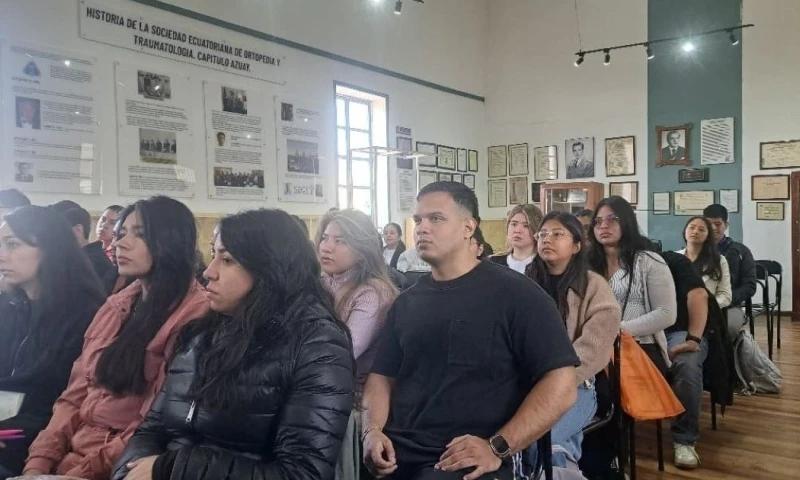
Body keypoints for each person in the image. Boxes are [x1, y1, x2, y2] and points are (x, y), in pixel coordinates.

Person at [111, 209, 354, 480]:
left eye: (227, 260)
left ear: (269, 268)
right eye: (213, 255)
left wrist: (172, 468)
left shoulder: (317, 345)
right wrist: (127, 473)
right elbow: (151, 431)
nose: (209, 273)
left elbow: (302, 473)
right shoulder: (200, 335)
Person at [362, 182, 579, 480]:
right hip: (400, 451)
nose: (422, 228)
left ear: (468, 227)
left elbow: (563, 384)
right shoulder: (408, 302)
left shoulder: (517, 295)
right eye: (418, 220)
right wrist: (371, 431)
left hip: (469, 458)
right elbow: (383, 375)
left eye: (435, 218)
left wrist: (498, 446)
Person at [23, 196, 209, 480]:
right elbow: (73, 398)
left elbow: (151, 426)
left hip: (120, 465)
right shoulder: (116, 306)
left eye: (140, 235)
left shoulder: (193, 317)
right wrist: (37, 465)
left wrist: (76, 474)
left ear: (171, 242)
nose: (120, 242)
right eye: (121, 233)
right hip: (71, 457)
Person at [0, 207, 106, 479]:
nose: (1, 255)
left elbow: (67, 401)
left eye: (12, 244)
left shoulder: (85, 315)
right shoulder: (9, 305)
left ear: (48, 249)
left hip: (37, 439)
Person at [525, 212, 620, 469]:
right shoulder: (524, 283)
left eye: (558, 234)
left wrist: (553, 378)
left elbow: (594, 348)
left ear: (576, 246)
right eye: (543, 234)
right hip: (524, 383)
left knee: (541, 442)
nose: (548, 239)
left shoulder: (594, 286)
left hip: (576, 384)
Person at [588, 196, 676, 374]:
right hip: (594, 349)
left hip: (639, 347)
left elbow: (666, 314)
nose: (603, 226)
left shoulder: (649, 261)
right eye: (598, 221)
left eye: (612, 219)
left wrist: (619, 330)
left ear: (627, 222)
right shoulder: (585, 264)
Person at [318, 209, 397, 396]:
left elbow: (340, 354)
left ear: (363, 250)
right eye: (324, 238)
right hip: (321, 389)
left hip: (353, 402)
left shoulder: (373, 292)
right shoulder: (321, 282)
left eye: (340, 241)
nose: (326, 247)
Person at [658, 250, 710, 470]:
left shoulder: (672, 260)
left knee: (686, 363)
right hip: (639, 331)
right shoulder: (607, 263)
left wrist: (693, 338)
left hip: (677, 331)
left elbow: (699, 294)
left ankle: (684, 439)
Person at [703, 204, 757, 337]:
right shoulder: (694, 249)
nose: (714, 228)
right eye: (709, 224)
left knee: (727, 328)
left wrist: (725, 300)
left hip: (731, 307)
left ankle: (729, 357)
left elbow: (749, 286)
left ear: (726, 225)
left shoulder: (741, 251)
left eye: (718, 224)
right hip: (700, 304)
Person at [678, 216, 732, 310]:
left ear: (708, 235)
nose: (695, 232)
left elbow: (725, 295)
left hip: (708, 311)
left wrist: (708, 306)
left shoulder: (719, 260)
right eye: (691, 227)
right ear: (685, 231)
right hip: (678, 311)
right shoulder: (674, 257)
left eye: (701, 229)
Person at [61, 206, 114, 282]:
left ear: (77, 230)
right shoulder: (88, 255)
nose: (104, 225)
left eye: (61, 232)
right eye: (103, 219)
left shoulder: (93, 262)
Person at [490, 203, 543, 274]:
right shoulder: (493, 262)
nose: (517, 230)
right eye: (514, 224)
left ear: (537, 230)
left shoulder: (545, 265)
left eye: (526, 226)